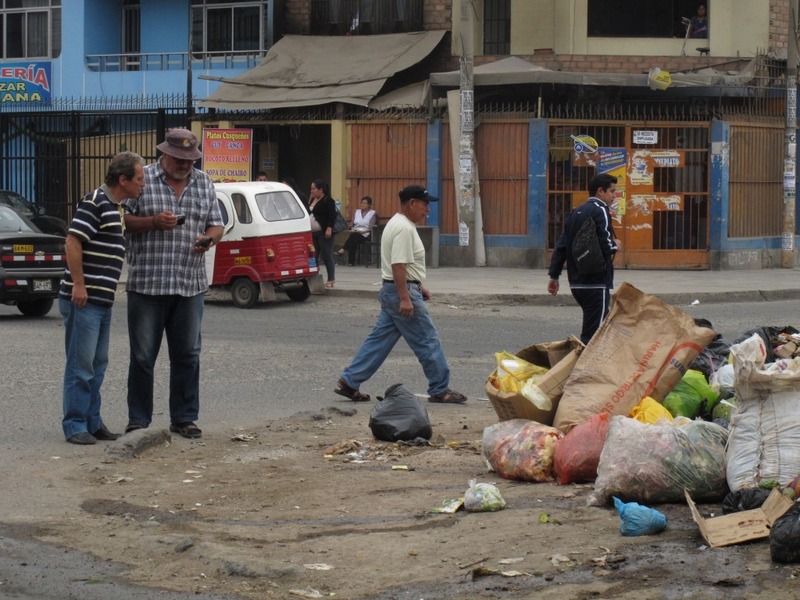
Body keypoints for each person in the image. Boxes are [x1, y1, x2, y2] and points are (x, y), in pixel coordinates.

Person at [122, 128, 224, 439]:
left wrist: (208, 239)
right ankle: (139, 420)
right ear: (164, 153)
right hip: (147, 283)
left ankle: (184, 418)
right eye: (178, 159)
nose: (183, 165)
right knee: (142, 356)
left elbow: (217, 224)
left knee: (188, 355)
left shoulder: (203, 181)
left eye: (189, 160)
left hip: (189, 283)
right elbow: (121, 221)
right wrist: (153, 222)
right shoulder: (144, 179)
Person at [335, 185, 467, 405]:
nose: (428, 210)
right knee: (427, 340)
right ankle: (440, 389)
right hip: (399, 292)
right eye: (425, 205)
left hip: (394, 289)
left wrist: (417, 284)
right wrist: (406, 296)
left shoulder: (396, 223)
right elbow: (398, 264)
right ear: (412, 203)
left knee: (379, 341)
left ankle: (350, 380)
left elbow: (400, 264)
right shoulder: (404, 228)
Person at [59, 152, 146, 445]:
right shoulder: (95, 202)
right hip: (84, 300)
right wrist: (79, 286)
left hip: (102, 302)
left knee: (97, 365)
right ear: (122, 179)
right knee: (80, 366)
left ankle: (92, 422)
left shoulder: (117, 208)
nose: (142, 185)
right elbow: (72, 241)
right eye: (139, 179)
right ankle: (74, 425)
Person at [547, 173, 618, 345]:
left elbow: (562, 246)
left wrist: (554, 276)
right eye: (612, 191)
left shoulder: (576, 212)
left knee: (593, 328)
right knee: (594, 337)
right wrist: (617, 245)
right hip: (596, 282)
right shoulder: (600, 209)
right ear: (600, 191)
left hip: (577, 284)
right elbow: (606, 245)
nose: (614, 196)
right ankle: (584, 369)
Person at [308, 179, 337, 288]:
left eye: (314, 189)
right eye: (311, 189)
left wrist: (329, 228)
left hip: (323, 232)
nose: (312, 191)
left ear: (321, 190)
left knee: (326, 255)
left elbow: (332, 215)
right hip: (313, 232)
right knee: (313, 255)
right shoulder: (312, 199)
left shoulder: (328, 200)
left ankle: (331, 279)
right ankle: (313, 277)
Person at [336, 195, 377, 266]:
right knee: (353, 239)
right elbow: (351, 224)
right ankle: (350, 262)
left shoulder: (372, 213)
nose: (363, 204)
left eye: (365, 203)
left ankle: (344, 252)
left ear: (369, 205)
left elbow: (371, 227)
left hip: (366, 234)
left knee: (353, 237)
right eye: (362, 203)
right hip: (356, 232)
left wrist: (364, 231)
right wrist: (351, 228)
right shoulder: (357, 212)